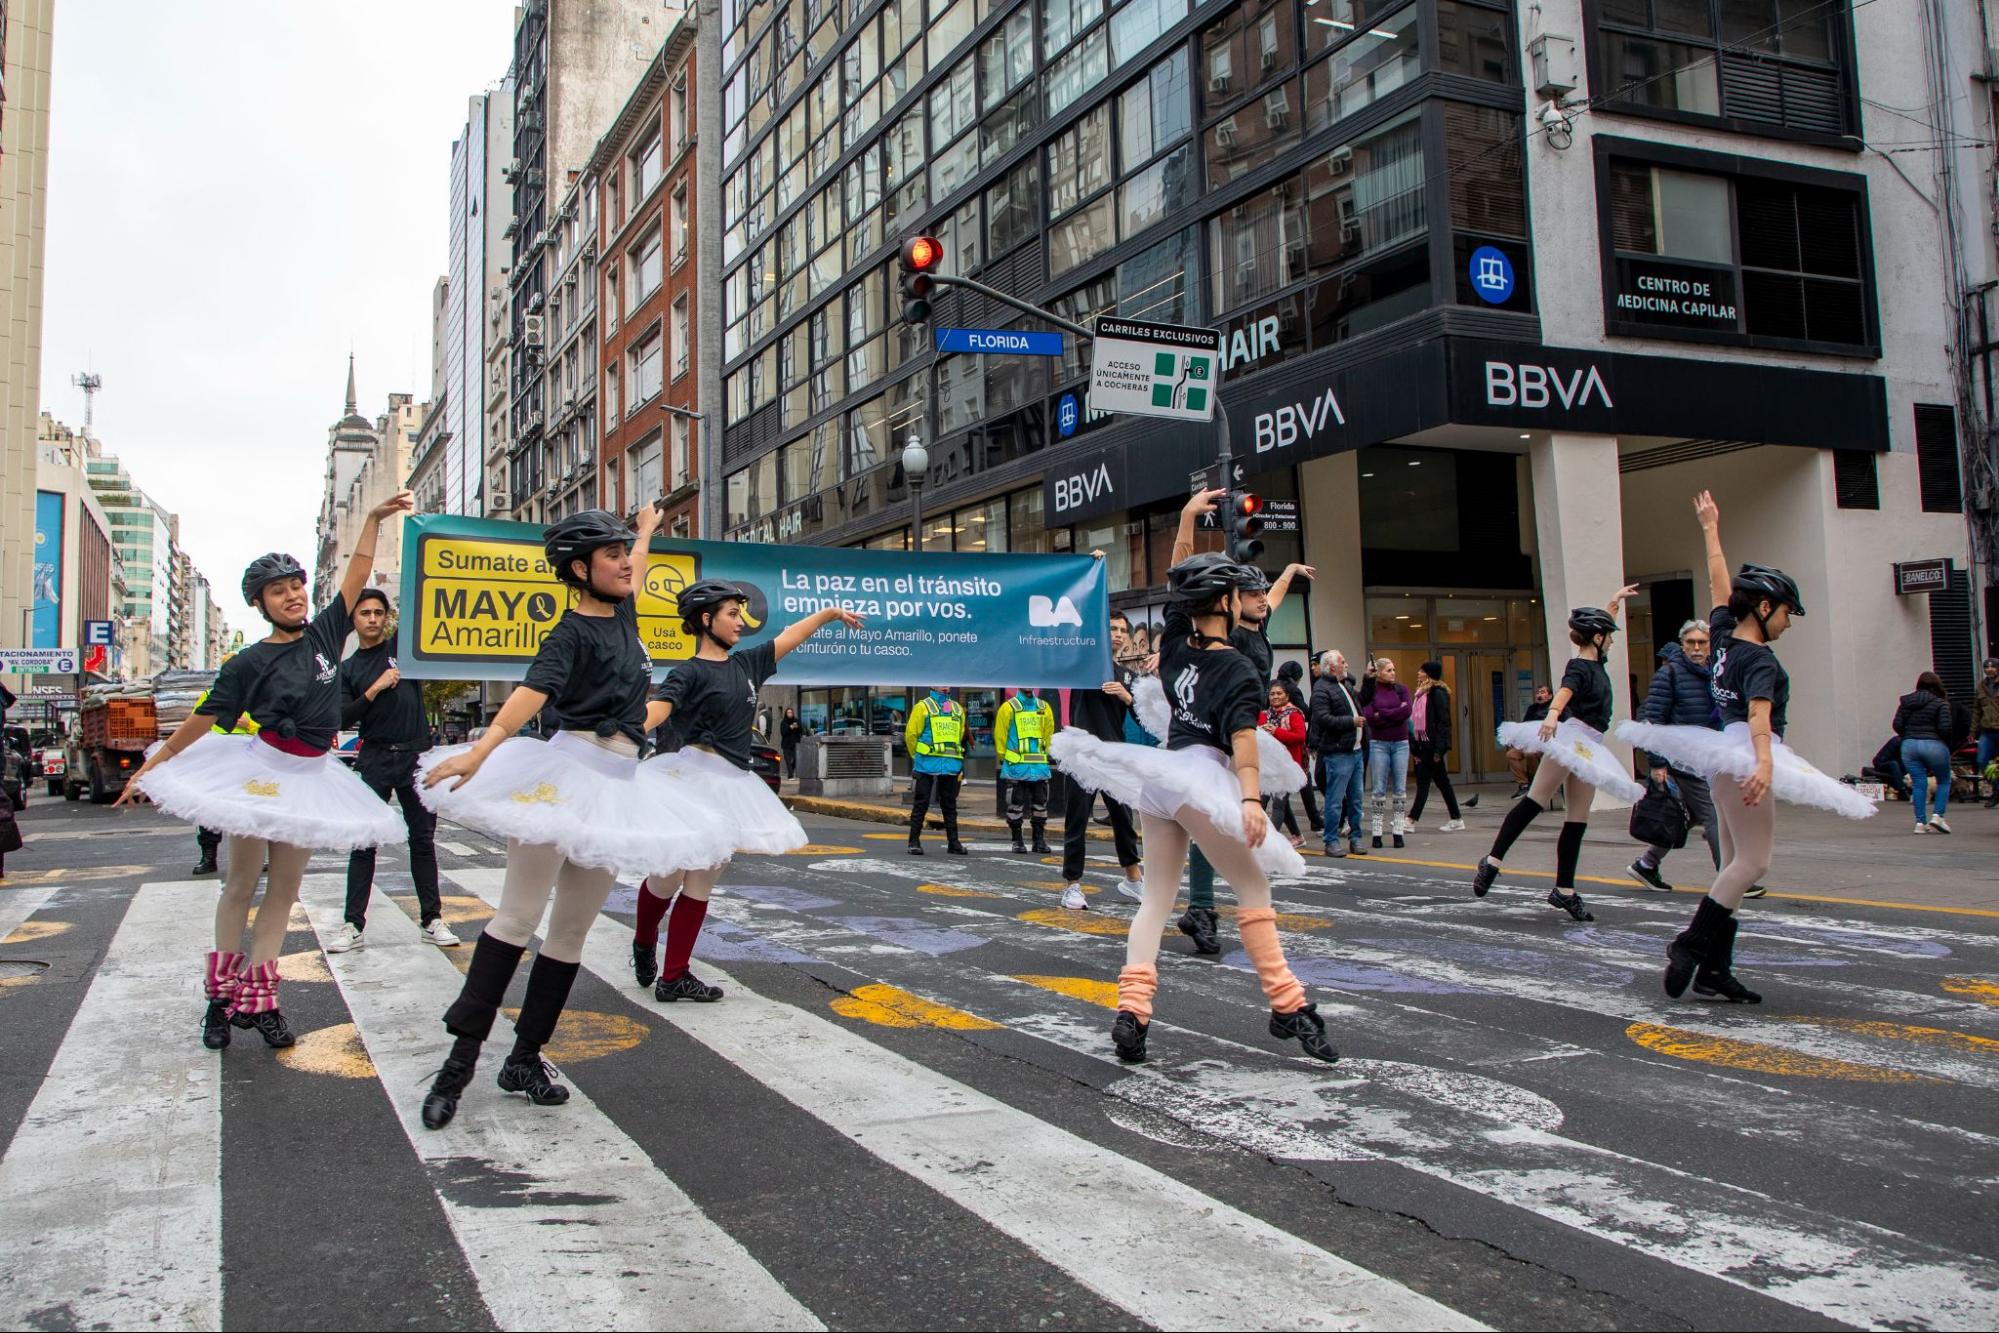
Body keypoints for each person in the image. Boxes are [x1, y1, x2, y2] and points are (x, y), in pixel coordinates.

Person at [417, 505, 727, 1128]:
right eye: (610, 556)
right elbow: (530, 695)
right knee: (517, 918)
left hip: (617, 783)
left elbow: (636, 564)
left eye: (624, 555)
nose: (626, 565)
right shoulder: (569, 634)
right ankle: (460, 1061)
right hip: (566, 776)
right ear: (580, 569)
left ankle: (525, 1059)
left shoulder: (626, 612)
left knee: (570, 936)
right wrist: (479, 753)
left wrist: (642, 528)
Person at [121, 494, 414, 1053]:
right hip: (259, 773)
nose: (293, 596)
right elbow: (206, 716)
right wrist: (153, 765)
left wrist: (375, 520)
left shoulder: (328, 633)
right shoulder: (247, 662)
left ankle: (262, 1001)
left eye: (296, 586)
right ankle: (219, 999)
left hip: (311, 776)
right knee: (240, 884)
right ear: (261, 603)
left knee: (284, 891)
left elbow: (354, 572)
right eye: (279, 591)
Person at [1051, 553, 1333, 1065]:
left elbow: (1176, 586)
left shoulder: (1177, 646)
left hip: (1161, 776)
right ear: (1227, 603)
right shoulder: (1240, 668)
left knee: (1156, 899)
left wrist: (1185, 517)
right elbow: (1243, 741)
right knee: (1253, 888)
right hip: (1198, 777)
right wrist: (1249, 800)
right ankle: (1288, 1005)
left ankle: (1132, 1013)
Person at [1621, 492, 1874, 1005]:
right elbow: (1760, 716)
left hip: (1720, 759)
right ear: (1763, 607)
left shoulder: (1721, 640)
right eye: (1786, 612)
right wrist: (1763, 765)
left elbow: (1719, 584)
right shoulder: (1759, 660)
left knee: (1733, 866)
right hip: (1745, 757)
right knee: (1753, 864)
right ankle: (1691, 945)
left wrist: (1711, 529)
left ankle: (1715, 968)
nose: (1788, 621)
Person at [633, 581, 865, 1002]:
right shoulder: (688, 672)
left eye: (740, 614)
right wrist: (621, 732)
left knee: (701, 881)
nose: (741, 622)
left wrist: (830, 613)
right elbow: (661, 708)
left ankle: (674, 976)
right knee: (666, 878)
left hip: (733, 785)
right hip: (689, 781)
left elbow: (790, 636)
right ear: (706, 620)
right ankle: (645, 941)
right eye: (731, 614)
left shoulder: (747, 665)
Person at [1168, 486, 1313, 953]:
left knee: (1222, 821)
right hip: (1215, 732)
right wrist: (1188, 519)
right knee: (1213, 819)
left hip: (1241, 729)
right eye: (1247, 594)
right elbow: (1182, 587)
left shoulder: (1258, 623)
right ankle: (1203, 907)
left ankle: (1204, 906)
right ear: (1229, 600)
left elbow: (1275, 595)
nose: (1260, 599)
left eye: (1258, 593)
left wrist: (1289, 571)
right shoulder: (1227, 635)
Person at [1472, 589, 1645, 922]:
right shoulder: (1580, 666)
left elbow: (1603, 629)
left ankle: (1564, 890)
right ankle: (1492, 861)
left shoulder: (1597, 660)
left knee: (1578, 818)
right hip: (1572, 738)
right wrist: (1552, 716)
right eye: (1608, 636)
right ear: (1597, 637)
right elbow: (1565, 690)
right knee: (1535, 800)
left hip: (1591, 746)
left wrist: (1615, 602)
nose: (1611, 642)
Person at [326, 588, 453, 952]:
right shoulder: (348, 670)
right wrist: (375, 689)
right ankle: (352, 924)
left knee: (423, 840)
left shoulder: (404, 651)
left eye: (378, 612)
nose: (372, 619)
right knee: (364, 842)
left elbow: (422, 603)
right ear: (355, 621)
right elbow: (341, 717)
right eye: (364, 613)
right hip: (376, 758)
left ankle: (432, 919)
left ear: (387, 617)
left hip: (416, 756)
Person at [1625, 621, 1723, 892]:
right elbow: (1652, 721)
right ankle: (1731, 878)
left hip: (1706, 759)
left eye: (1701, 642)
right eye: (1690, 642)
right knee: (1715, 815)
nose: (1696, 648)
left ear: (1710, 645)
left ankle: (1646, 865)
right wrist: (1657, 763)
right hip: (1681, 761)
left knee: (1688, 817)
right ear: (1682, 645)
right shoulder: (1669, 674)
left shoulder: (1714, 674)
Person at [1058, 611, 1144, 910]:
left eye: (1122, 630)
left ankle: (1133, 879)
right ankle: (1072, 886)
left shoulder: (1129, 676)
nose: (1118, 634)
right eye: (1112, 629)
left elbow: (1142, 715)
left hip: (1114, 754)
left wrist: (1127, 696)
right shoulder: (1086, 665)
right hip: (1082, 752)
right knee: (1077, 819)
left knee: (1123, 818)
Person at [188, 684, 260, 877]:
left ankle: (256, 857)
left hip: (250, 755)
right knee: (209, 808)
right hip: (217, 756)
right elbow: (196, 720)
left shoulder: (261, 692)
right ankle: (208, 857)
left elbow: (273, 725)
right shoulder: (212, 694)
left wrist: (249, 725)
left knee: (252, 807)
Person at [1310, 650, 1367, 857]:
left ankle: (1356, 837)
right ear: (1332, 667)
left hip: (1355, 750)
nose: (1346, 665)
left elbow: (1362, 701)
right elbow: (1323, 718)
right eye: (1343, 662)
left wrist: (1368, 679)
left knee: (1356, 798)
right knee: (1335, 799)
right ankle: (1331, 840)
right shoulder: (1322, 689)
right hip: (1338, 752)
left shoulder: (1344, 684)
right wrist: (1351, 722)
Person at [904, 686, 969, 857]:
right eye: (941, 682)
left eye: (947, 682)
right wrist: (917, 756)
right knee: (921, 803)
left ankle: (953, 843)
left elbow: (960, 734)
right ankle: (914, 842)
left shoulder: (957, 708)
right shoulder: (922, 707)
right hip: (926, 764)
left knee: (950, 805)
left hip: (950, 765)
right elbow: (911, 735)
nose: (945, 686)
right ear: (932, 686)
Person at [1894, 671, 1956, 835]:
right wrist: (1946, 744)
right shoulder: (1940, 703)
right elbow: (1945, 728)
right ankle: (1937, 816)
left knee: (1919, 783)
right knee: (1944, 780)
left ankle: (1920, 823)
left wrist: (1907, 735)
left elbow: (1897, 724)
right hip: (1934, 744)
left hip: (1909, 745)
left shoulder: (1906, 701)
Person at [995, 686, 1056, 854]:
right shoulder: (1008, 708)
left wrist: (1045, 754)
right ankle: (1017, 841)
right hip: (1017, 767)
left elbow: (1048, 735)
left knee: (1040, 805)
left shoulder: (1044, 707)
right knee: (1015, 806)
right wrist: (1006, 758)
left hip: (1039, 767)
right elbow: (1000, 735)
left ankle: (1039, 841)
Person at [1360, 658, 1413, 849]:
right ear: (1380, 672)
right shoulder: (1372, 690)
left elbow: (1407, 710)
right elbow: (1369, 716)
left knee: (1400, 789)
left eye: (1394, 669)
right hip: (1379, 743)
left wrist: (1382, 713)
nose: (1393, 673)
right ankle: (1377, 833)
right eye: (1389, 670)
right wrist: (1393, 713)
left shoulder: (1401, 689)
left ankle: (1398, 832)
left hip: (1400, 743)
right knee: (1379, 789)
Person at [1407, 661, 1463, 832]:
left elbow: (1443, 722)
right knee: (1442, 782)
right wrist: (1416, 747)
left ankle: (1410, 820)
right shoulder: (1422, 694)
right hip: (1425, 745)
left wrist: (1439, 749)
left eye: (1421, 671)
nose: (1418, 673)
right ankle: (1456, 818)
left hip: (1432, 746)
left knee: (1423, 781)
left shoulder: (1437, 694)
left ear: (1429, 674)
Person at [1274, 659, 1321, 831]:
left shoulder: (1274, 686)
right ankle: (1314, 820)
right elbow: (1306, 717)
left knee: (1279, 797)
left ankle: (1295, 831)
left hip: (1276, 750)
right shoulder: (1293, 694)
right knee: (1301, 784)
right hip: (1291, 750)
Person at [1261, 681, 1308, 848]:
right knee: (1265, 801)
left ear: (1287, 696)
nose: (1275, 697)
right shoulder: (1264, 715)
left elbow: (1299, 737)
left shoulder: (1294, 714)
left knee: (1279, 803)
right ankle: (1297, 836)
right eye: (1272, 694)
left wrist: (1275, 731)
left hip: (1287, 766)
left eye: (1279, 693)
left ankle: (1270, 843)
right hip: (1268, 766)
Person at [1506, 686, 1553, 794]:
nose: (1539, 695)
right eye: (1537, 693)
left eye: (1542, 692)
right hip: (1529, 740)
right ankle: (1524, 783)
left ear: (1549, 696)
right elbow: (1525, 725)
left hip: (1545, 741)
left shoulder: (1552, 709)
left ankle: (1536, 782)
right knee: (1511, 755)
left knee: (1529, 754)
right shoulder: (1532, 708)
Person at [1975, 659, 1999, 805]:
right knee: (1982, 761)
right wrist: (1973, 731)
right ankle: (1997, 790)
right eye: (1986, 667)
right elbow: (1976, 711)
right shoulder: (1981, 687)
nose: (1989, 669)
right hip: (1987, 730)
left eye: (1993, 667)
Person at [780, 706, 804, 779]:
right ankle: (790, 775)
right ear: (786, 713)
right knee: (787, 760)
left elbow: (801, 730)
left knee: (796, 759)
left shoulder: (796, 720)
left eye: (791, 712)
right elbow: (783, 733)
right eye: (788, 712)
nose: (790, 714)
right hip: (786, 744)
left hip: (795, 743)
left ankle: (791, 770)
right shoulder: (783, 722)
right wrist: (789, 728)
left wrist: (797, 727)